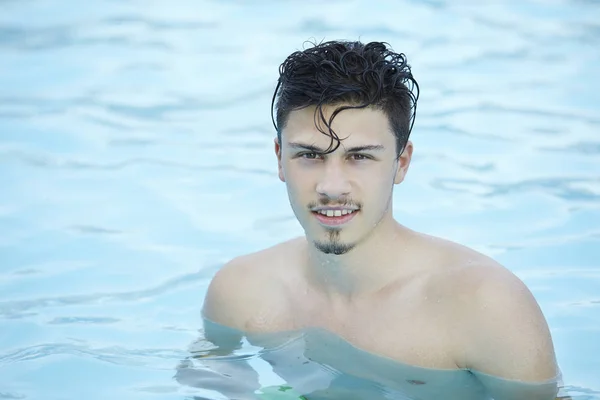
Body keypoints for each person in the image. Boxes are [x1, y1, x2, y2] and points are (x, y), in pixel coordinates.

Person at [200, 40, 562, 399]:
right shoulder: (241, 293)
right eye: (310, 155)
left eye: (359, 157)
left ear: (401, 162)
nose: (331, 186)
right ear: (280, 158)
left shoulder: (485, 307)